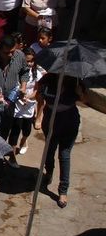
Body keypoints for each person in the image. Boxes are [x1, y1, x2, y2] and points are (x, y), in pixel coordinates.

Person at [36, 73, 86, 208]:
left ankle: (63, 190)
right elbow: (39, 96)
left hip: (69, 121)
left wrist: (80, 93)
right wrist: (39, 113)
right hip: (51, 121)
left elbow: (84, 100)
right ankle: (49, 172)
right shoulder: (47, 79)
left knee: (64, 155)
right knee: (49, 150)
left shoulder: (75, 80)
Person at [7, 47, 44, 162]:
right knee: (15, 130)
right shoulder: (16, 71)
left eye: (32, 61)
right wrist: (20, 97)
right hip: (17, 105)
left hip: (29, 105)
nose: (29, 63)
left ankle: (23, 141)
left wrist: (28, 97)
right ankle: (12, 155)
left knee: (27, 130)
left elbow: (37, 90)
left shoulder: (37, 74)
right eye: (27, 61)